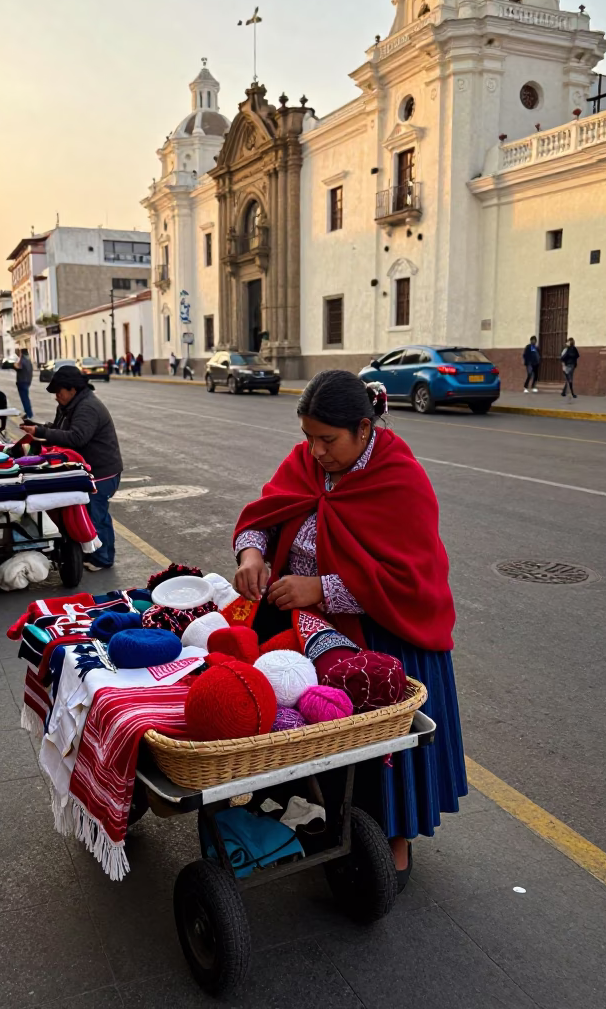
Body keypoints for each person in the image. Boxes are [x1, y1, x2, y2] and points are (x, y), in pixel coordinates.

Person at [233, 370, 465, 891]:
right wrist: (252, 552)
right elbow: (267, 513)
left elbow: (411, 581)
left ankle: (392, 847)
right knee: (323, 741)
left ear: (364, 429)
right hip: (315, 636)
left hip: (386, 640)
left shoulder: (400, 479)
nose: (315, 451)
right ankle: (325, 822)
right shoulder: (307, 463)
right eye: (308, 438)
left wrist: (321, 588)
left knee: (385, 757)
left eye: (328, 440)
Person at [21, 364, 123, 572]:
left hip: (102, 472)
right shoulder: (70, 405)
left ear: (72, 389)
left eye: (59, 392)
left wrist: (43, 431)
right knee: (87, 512)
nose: (56, 396)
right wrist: (39, 429)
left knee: (97, 514)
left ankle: (103, 558)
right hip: (87, 469)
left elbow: (77, 437)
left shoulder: (87, 407)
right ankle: (91, 551)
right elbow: (60, 429)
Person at [14, 348, 34, 420]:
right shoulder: (29, 361)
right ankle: (28, 413)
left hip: (22, 381)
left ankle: (29, 414)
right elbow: (31, 372)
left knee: (24, 399)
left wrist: (14, 365)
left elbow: (18, 368)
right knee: (26, 398)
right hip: (27, 381)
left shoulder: (22, 361)